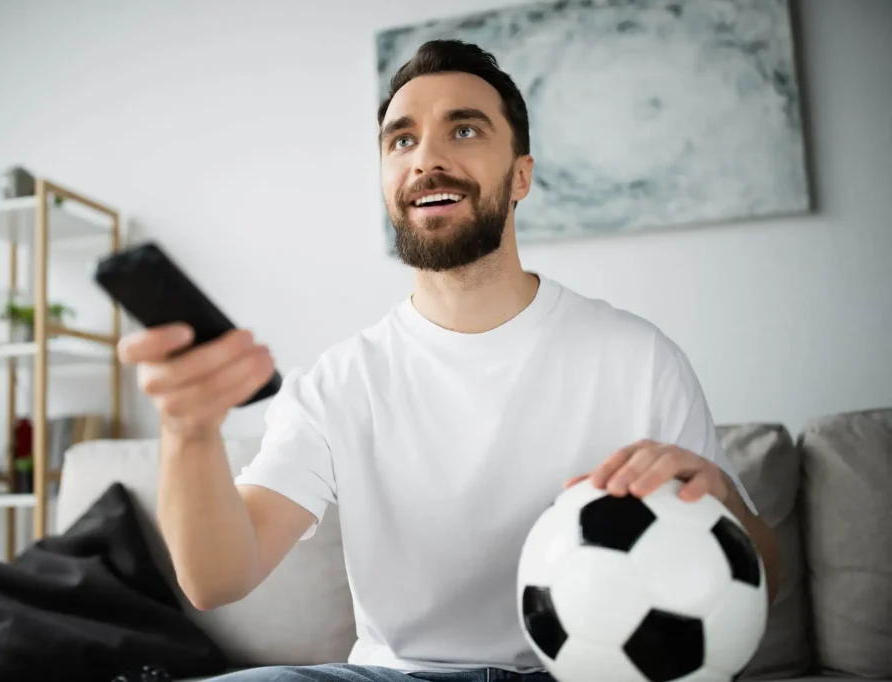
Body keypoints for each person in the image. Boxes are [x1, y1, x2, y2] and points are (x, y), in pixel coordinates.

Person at [117, 39, 779, 682]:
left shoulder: (639, 357)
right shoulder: (338, 382)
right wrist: (188, 432)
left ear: (521, 176)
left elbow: (763, 580)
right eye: (401, 140)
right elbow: (216, 579)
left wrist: (720, 495)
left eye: (463, 131)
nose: (426, 158)